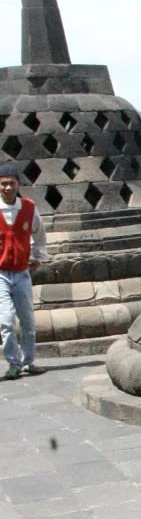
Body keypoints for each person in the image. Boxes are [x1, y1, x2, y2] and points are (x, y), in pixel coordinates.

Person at [0, 162, 45, 381]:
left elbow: (39, 233)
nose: (7, 188)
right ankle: (13, 363)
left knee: (27, 320)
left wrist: (38, 256)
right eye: (3, 184)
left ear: (18, 184)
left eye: (11, 183)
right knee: (6, 321)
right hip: (1, 273)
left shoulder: (28, 207)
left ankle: (28, 361)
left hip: (22, 272)